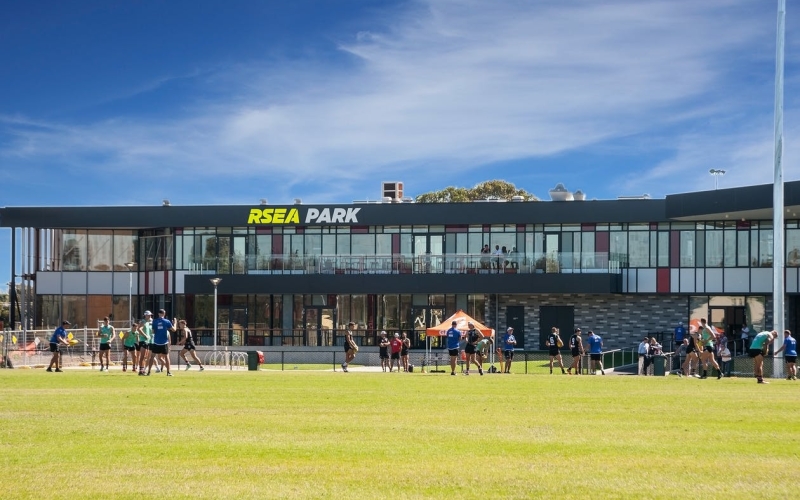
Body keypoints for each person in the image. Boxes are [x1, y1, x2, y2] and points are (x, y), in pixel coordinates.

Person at [146, 309, 175, 376]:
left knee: (152, 356)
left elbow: (153, 332)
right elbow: (174, 329)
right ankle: (168, 372)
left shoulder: (154, 321)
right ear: (164, 314)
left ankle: (149, 372)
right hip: (164, 342)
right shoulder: (167, 321)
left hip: (156, 342)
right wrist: (175, 323)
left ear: (158, 314)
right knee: (167, 357)